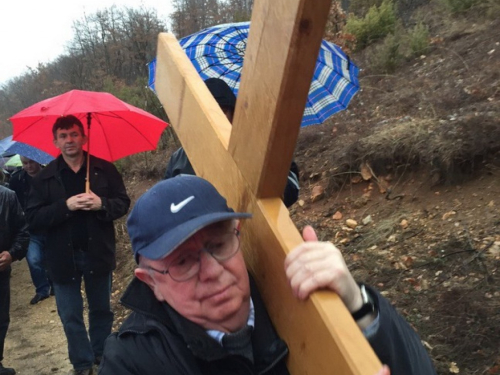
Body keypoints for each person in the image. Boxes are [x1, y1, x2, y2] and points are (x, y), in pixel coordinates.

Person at [98, 176, 436, 375]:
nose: (214, 271)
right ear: (151, 281)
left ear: (238, 234)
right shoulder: (132, 362)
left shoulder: (288, 295)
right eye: (184, 262)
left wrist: (357, 305)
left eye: (219, 244)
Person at [26, 115, 131, 375]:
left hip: (97, 252)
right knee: (70, 315)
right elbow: (34, 219)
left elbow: (123, 202)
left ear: (84, 137)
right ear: (55, 141)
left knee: (101, 310)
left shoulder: (104, 169)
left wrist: (102, 204)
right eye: (63, 136)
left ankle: (102, 355)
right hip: (62, 258)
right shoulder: (44, 178)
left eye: (74, 134)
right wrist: (65, 206)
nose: (69, 140)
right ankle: (82, 364)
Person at [164, 77, 300, 208]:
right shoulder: (180, 159)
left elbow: (291, 185)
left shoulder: (258, 145)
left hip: (253, 226)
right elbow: (168, 204)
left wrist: (254, 177)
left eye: (222, 112)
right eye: (206, 113)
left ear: (233, 114)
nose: (214, 119)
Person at [8, 156, 52, 305]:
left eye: (31, 162)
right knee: (34, 259)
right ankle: (42, 289)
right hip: (29, 228)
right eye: (24, 163)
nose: (28, 166)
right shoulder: (17, 180)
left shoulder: (51, 176)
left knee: (51, 258)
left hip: (50, 225)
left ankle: (54, 284)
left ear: (38, 160)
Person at [0, 179, 29, 375]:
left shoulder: (7, 197)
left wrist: (12, 253)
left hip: (0, 272)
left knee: (1, 318)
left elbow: (23, 231)